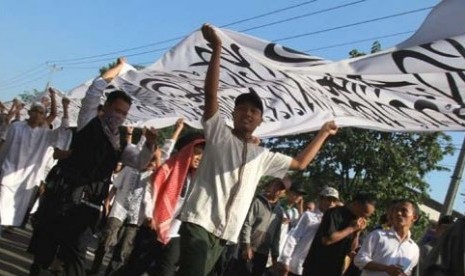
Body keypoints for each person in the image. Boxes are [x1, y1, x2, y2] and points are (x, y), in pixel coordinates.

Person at [176, 24, 338, 276]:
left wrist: (323, 133)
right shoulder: (219, 135)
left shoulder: (262, 156)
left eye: (254, 111)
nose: (247, 113)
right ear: (233, 114)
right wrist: (217, 49)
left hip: (225, 233)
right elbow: (210, 96)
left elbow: (299, 164)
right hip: (199, 220)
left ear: (261, 120)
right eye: (242, 109)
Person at [29, 57, 157, 276]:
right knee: (46, 248)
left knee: (76, 251)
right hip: (65, 197)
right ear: (106, 107)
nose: (119, 116)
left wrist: (151, 144)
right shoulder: (89, 121)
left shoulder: (121, 143)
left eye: (124, 113)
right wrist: (118, 68)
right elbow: (95, 89)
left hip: (89, 205)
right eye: (116, 110)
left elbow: (139, 161)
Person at [0, 97, 70, 230]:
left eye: (41, 112)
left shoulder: (46, 134)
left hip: (26, 182)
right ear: (29, 112)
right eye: (35, 111)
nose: (38, 114)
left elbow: (63, 130)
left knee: (9, 216)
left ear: (44, 116)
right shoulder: (16, 127)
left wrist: (65, 108)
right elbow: (5, 148)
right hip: (7, 177)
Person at [302, 193, 376, 276]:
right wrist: (351, 228)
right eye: (365, 212)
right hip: (316, 266)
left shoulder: (356, 221)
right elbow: (327, 240)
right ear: (356, 204)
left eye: (369, 215)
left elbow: (351, 250)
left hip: (335, 269)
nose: (365, 217)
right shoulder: (334, 213)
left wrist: (357, 232)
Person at [277, 186, 340, 276]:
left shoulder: (334, 224)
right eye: (328, 199)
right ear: (321, 199)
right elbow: (294, 237)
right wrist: (286, 260)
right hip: (298, 265)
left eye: (334, 201)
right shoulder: (309, 216)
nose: (331, 203)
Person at [354, 199, 420, 276]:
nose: (398, 213)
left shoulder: (414, 249)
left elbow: (408, 271)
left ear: (414, 217)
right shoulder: (378, 235)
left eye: (404, 211)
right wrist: (386, 268)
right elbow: (359, 260)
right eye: (396, 210)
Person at [237, 178, 288, 275]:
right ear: (270, 186)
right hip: (249, 249)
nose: (277, 190)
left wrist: (274, 256)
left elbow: (276, 235)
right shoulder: (257, 202)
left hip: (263, 253)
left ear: (283, 192)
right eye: (276, 185)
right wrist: (246, 246)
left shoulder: (279, 211)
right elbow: (247, 224)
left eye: (281, 188)